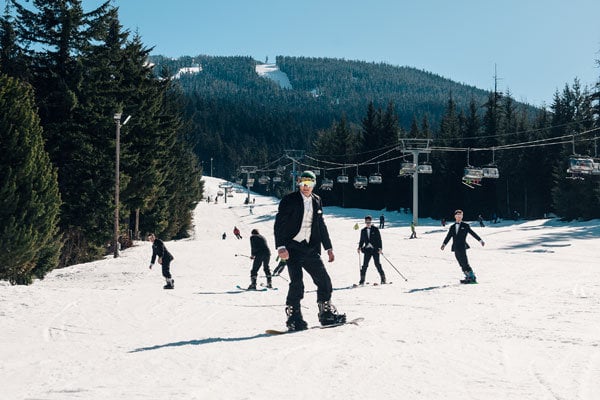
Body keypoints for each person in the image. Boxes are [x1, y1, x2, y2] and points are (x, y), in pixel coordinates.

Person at [274, 170, 346, 331]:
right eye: (303, 184)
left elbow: (320, 225)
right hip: (291, 247)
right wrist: (281, 247)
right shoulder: (289, 200)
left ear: (314, 185)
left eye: (310, 184)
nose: (306, 187)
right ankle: (294, 316)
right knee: (297, 283)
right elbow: (279, 224)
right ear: (299, 183)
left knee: (324, 281)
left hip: (310, 248)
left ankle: (326, 313)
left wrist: (329, 247)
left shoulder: (317, 200)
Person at [441, 209, 485, 284]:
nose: (459, 217)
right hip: (455, 247)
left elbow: (472, 233)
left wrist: (480, 240)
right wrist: (444, 244)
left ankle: (472, 277)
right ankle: (467, 276)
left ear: (462, 216)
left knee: (465, 262)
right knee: (460, 263)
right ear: (455, 216)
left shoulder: (465, 225)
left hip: (462, 246)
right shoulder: (452, 227)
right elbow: (448, 236)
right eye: (457, 215)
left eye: (460, 215)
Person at [357, 215, 386, 285]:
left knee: (377, 264)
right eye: (366, 222)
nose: (368, 223)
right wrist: (359, 247)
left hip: (375, 250)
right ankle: (362, 280)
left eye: (369, 222)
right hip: (367, 250)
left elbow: (379, 240)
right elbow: (361, 240)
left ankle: (383, 278)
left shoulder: (375, 229)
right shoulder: (363, 231)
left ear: (371, 221)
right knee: (364, 265)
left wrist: (380, 248)